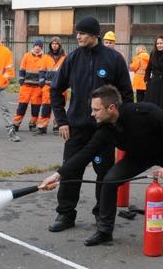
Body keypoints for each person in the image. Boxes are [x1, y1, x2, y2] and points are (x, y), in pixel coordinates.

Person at [40, 85, 163, 253]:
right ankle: (105, 231)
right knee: (109, 181)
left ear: (111, 108)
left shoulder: (146, 111)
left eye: (96, 110)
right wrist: (57, 175)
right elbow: (85, 154)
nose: (92, 114)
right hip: (139, 157)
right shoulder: (106, 129)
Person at [49, 16, 134, 232]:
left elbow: (126, 95)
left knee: (104, 175)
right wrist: (62, 121)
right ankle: (65, 214)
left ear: (94, 35)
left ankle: (102, 217)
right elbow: (55, 90)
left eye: (83, 33)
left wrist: (119, 123)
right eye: (77, 33)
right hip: (76, 128)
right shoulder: (73, 59)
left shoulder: (113, 59)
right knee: (70, 172)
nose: (78, 36)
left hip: (103, 131)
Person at [14, 39, 46, 132]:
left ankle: (33, 124)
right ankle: (16, 124)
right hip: (26, 86)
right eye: (36, 46)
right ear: (33, 46)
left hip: (38, 87)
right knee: (22, 106)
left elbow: (45, 71)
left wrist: (42, 82)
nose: (37, 48)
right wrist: (21, 79)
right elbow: (22, 69)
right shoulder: (26, 56)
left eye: (39, 46)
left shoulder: (44, 58)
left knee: (36, 107)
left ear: (41, 48)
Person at [38, 36, 67, 135]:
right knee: (46, 107)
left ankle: (57, 126)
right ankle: (42, 126)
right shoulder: (46, 57)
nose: (54, 46)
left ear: (59, 45)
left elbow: (67, 71)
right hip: (47, 85)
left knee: (59, 107)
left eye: (56, 44)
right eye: (53, 44)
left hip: (60, 86)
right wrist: (41, 81)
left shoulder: (65, 57)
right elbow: (42, 69)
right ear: (51, 45)